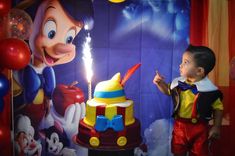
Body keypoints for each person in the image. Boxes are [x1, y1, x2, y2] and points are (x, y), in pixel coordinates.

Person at [153, 44, 223, 156]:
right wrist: (160, 83)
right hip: (180, 126)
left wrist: (216, 126)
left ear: (199, 71)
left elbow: (218, 108)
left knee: (200, 151)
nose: (180, 65)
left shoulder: (210, 91)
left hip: (200, 128)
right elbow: (168, 91)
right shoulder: (178, 84)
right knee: (178, 150)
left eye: (185, 62)